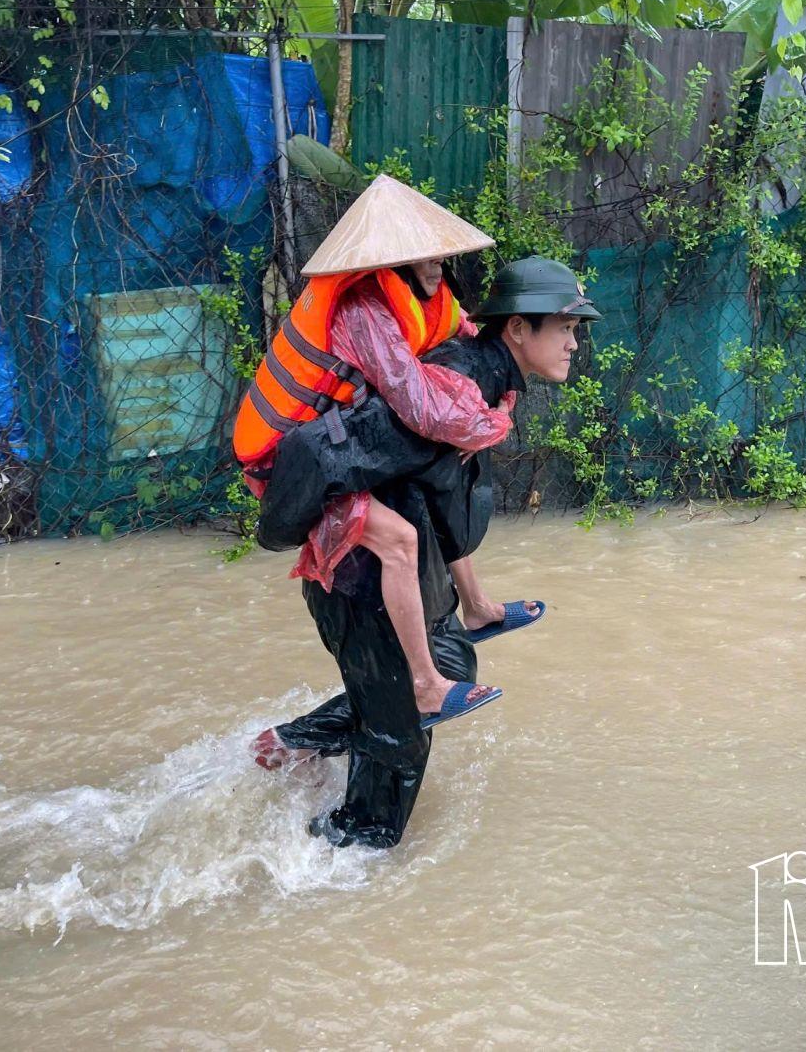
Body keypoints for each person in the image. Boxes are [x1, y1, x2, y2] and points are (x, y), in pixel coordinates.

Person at [249, 256, 601, 849]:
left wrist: (474, 599)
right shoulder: (448, 387)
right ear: (518, 329)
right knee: (400, 748)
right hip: (361, 582)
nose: (572, 344)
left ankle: (297, 740)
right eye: (564, 328)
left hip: (412, 577)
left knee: (455, 658)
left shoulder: (479, 374)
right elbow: (354, 454)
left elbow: (440, 489)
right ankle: (332, 860)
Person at [233, 175, 537, 730]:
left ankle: (476, 606)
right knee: (400, 542)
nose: (437, 269)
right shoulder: (363, 310)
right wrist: (491, 425)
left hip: (349, 443)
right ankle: (425, 685)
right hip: (299, 459)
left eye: (439, 259)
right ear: (392, 262)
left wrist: (499, 398)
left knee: (438, 474)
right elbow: (420, 406)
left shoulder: (425, 297)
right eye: (425, 260)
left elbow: (472, 341)